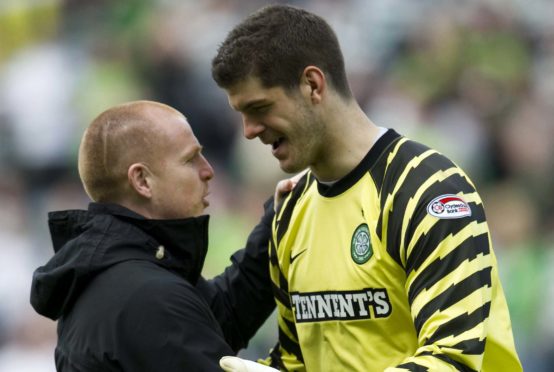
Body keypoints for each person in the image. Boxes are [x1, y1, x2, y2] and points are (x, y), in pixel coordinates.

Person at [211, 4, 522, 371]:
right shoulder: (290, 212)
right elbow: (300, 360)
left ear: (313, 84)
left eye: (260, 107)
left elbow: (454, 359)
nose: (249, 130)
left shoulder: (430, 190)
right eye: (241, 115)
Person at [29, 100, 277, 371]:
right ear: (142, 181)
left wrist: (278, 219)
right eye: (190, 159)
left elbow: (219, 316)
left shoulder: (116, 277)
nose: (208, 171)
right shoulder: (149, 298)